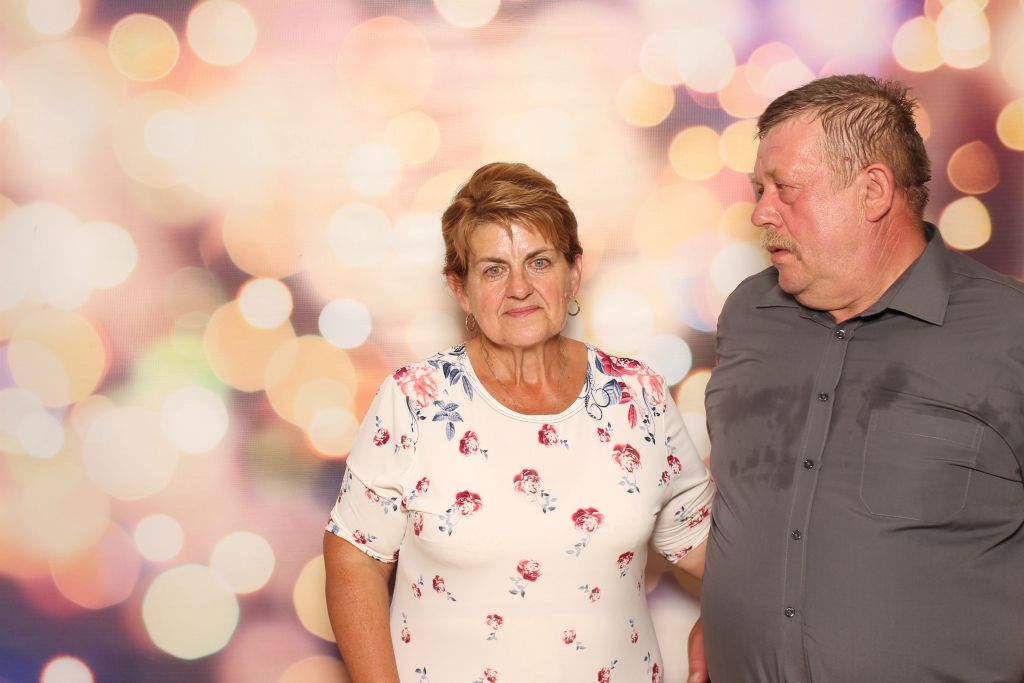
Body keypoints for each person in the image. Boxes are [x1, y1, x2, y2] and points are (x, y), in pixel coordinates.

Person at [323, 161, 715, 682]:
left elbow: (704, 544)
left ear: (573, 273)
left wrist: (725, 619)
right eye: (493, 270)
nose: (520, 288)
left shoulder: (638, 395)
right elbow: (355, 558)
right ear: (460, 289)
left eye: (539, 262)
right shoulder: (414, 400)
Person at [692, 74, 1024, 682]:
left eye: (786, 189)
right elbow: (747, 510)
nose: (761, 212)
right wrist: (719, 612)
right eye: (759, 190)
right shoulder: (748, 314)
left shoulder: (1010, 333)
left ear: (873, 192)